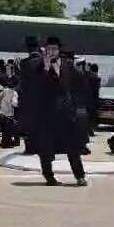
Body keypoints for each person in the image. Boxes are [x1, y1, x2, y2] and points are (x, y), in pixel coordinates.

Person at [32, 37, 88, 186]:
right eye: (48, 49)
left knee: (73, 146)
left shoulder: (68, 64)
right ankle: (49, 177)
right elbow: (37, 86)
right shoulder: (39, 66)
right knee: (46, 147)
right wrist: (45, 68)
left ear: (58, 50)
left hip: (66, 111)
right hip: (47, 112)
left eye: (54, 49)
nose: (51, 52)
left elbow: (80, 83)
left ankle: (80, 176)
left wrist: (75, 103)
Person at [18, 37, 42, 154]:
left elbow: (22, 82)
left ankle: (29, 147)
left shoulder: (23, 63)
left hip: (27, 98)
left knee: (27, 123)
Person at [0, 66, 20, 148]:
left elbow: (18, 88)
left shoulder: (16, 79)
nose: (7, 71)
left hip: (14, 100)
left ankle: (16, 140)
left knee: (14, 123)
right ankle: (6, 140)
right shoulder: (4, 79)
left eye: (8, 69)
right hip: (5, 101)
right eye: (6, 69)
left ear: (12, 70)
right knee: (5, 123)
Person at [85, 63, 101, 135]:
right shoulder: (96, 78)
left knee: (89, 115)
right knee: (92, 115)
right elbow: (96, 90)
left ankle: (89, 130)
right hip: (93, 99)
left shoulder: (88, 77)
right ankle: (90, 130)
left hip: (88, 99)